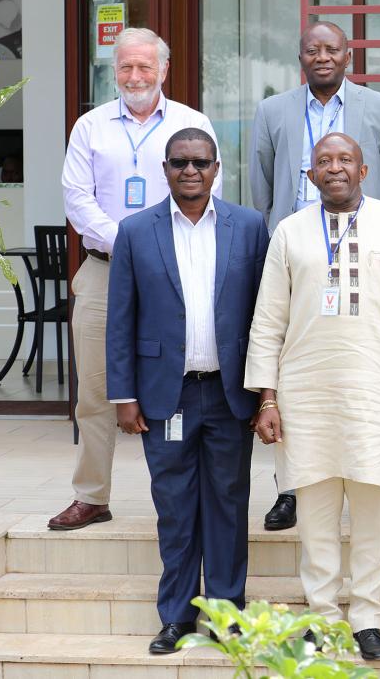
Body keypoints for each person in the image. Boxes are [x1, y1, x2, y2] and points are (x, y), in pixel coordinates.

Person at [245, 133, 380, 663]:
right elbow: (268, 319)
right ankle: (322, 617)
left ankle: (368, 618)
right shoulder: (289, 231)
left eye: (345, 160)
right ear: (310, 175)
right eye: (324, 161)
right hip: (306, 393)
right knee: (315, 515)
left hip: (379, 390)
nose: (335, 168)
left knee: (374, 513)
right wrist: (267, 398)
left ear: (364, 170)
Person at [104, 128, 268, 654]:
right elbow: (120, 320)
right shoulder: (135, 231)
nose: (190, 171)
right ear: (165, 169)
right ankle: (175, 616)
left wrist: (267, 393)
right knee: (175, 508)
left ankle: (225, 615)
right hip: (165, 395)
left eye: (200, 162)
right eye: (179, 162)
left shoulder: (249, 226)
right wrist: (123, 395)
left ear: (217, 168)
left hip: (229, 393)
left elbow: (266, 315)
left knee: (228, 505)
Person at [51, 27, 221, 532]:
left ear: (163, 69)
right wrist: (129, 241)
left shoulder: (192, 123)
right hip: (104, 270)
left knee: (180, 384)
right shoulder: (90, 126)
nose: (135, 76)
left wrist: (154, 246)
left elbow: (208, 191)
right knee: (95, 390)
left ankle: (182, 498)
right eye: (125, 66)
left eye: (145, 66)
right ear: (115, 70)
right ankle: (91, 496)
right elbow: (76, 198)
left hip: (176, 272)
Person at [250, 19, 380, 532]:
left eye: (331, 49)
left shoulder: (379, 108)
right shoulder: (273, 110)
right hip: (299, 257)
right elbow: (262, 185)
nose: (322, 57)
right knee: (295, 374)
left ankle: (364, 478)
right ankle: (290, 489)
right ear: (301, 57)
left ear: (347, 55)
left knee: (354, 375)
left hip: (360, 251)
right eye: (312, 50)